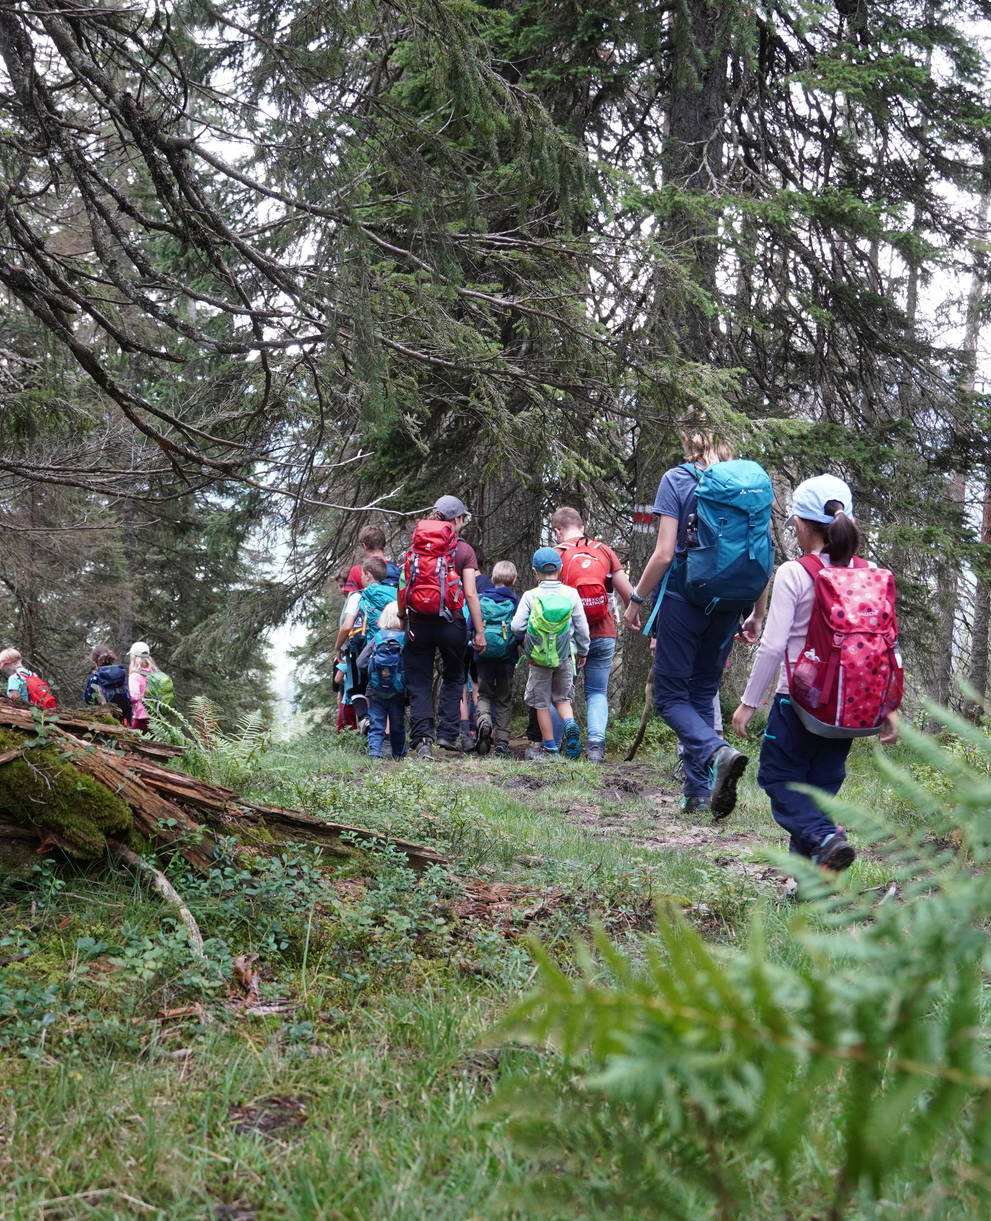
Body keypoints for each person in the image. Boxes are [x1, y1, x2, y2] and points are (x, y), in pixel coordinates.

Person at [731, 475, 898, 871]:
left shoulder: (796, 572)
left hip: (799, 701)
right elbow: (888, 642)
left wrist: (748, 703)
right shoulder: (870, 572)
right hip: (851, 705)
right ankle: (808, 882)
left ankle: (827, 838)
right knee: (818, 791)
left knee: (777, 779)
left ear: (803, 525)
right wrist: (890, 704)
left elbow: (772, 646)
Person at [624, 431, 768, 819]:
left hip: (684, 601)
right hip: (729, 604)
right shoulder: (748, 485)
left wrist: (636, 599)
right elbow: (760, 554)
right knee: (703, 693)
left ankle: (716, 753)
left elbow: (665, 553)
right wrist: (757, 611)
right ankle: (698, 793)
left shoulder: (677, 479)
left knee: (671, 698)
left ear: (691, 444)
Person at [399, 495, 487, 758]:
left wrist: (404, 618)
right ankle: (448, 734)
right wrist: (480, 631)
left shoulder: (415, 548)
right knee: (454, 675)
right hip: (452, 624)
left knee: (420, 681)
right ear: (457, 519)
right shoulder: (464, 551)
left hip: (418, 623)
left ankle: (423, 739)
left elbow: (403, 586)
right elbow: (471, 594)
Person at [551, 506, 634, 763]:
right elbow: (626, 591)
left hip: (569, 635)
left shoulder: (556, 555)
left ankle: (555, 745)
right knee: (597, 691)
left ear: (557, 531)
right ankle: (596, 746)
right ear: (582, 526)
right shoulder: (603, 551)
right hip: (604, 630)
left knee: (560, 691)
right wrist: (635, 612)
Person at [512, 547, 589, 761]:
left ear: (535, 572)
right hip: (565, 656)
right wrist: (583, 651)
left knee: (541, 703)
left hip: (538, 659)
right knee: (562, 698)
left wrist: (529, 639)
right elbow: (582, 628)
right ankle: (570, 725)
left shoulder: (530, 596)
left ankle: (550, 747)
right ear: (560, 569)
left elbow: (517, 626)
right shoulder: (571, 594)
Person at [334, 556, 394, 726]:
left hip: (365, 650)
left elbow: (347, 626)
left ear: (368, 575)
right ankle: (386, 735)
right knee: (386, 690)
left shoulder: (358, 596)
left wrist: (338, 646)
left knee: (359, 689)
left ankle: (368, 723)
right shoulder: (394, 593)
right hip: (391, 647)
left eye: (361, 574)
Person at [475, 560, 520, 757]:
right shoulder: (515, 601)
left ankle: (484, 719)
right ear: (515, 580)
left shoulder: (480, 598)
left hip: (483, 654)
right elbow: (519, 629)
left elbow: (471, 625)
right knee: (504, 698)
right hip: (507, 657)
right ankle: (502, 742)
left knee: (484, 693)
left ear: (492, 579)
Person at [356, 601, 407, 761]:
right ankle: (398, 754)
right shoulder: (405, 638)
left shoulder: (377, 638)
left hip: (376, 689)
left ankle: (375, 752)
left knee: (376, 721)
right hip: (398, 690)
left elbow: (360, 663)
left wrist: (374, 675)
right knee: (397, 723)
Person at [83, 645, 132, 722]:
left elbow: (88, 700)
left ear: (94, 661)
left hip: (105, 716)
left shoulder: (95, 677)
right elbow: (129, 694)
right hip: (125, 714)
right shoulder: (122, 672)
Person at [345, 525, 400, 590]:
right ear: (384, 544)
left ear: (364, 546)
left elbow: (351, 598)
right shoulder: (398, 569)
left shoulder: (357, 571)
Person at [126, 641, 155, 732]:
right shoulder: (153, 673)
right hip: (155, 716)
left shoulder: (135, 676)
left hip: (140, 717)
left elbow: (135, 697)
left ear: (133, 657)